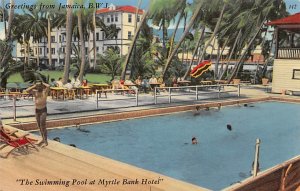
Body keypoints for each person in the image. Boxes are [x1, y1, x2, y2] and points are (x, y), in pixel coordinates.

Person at [25, 81, 50, 146]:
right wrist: (34, 85)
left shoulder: (45, 92)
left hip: (43, 110)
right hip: (37, 110)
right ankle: (43, 139)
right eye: (38, 86)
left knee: (43, 126)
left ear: (42, 86)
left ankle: (46, 141)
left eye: (40, 86)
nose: (39, 87)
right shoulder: (35, 92)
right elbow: (27, 90)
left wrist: (42, 83)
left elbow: (48, 86)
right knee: (39, 126)